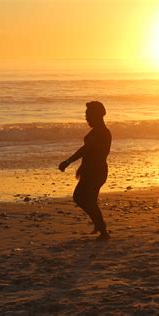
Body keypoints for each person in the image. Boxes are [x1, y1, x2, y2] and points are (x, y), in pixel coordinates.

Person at [59, 101, 112, 241]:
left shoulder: (100, 132)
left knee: (80, 197)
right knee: (89, 200)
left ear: (97, 115)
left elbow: (85, 150)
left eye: (89, 115)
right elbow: (87, 150)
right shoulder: (99, 131)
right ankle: (100, 227)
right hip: (95, 171)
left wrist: (68, 161)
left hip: (95, 172)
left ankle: (102, 229)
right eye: (86, 115)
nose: (86, 118)